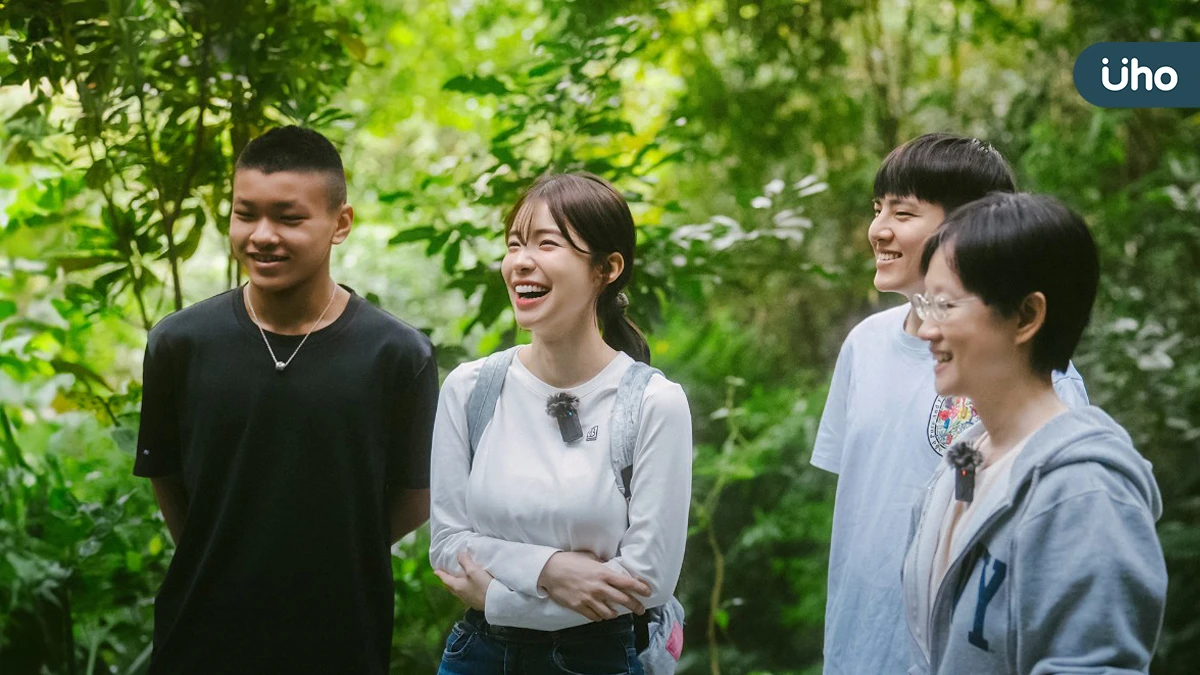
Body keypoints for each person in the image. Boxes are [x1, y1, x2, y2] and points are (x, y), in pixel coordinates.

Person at [133, 126, 438, 674]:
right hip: (200, 637)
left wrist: (330, 555)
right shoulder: (180, 343)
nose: (262, 236)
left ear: (340, 223)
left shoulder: (396, 355)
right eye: (245, 214)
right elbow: (167, 476)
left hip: (339, 638)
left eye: (289, 218)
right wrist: (224, 549)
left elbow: (416, 495)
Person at [809, 133, 1090, 675]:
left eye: (903, 212)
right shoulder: (864, 344)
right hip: (854, 651)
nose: (878, 229)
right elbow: (866, 513)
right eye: (877, 208)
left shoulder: (1029, 375)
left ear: (969, 227)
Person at [428, 172, 692, 675]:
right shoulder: (469, 389)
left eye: (547, 244)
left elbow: (646, 583)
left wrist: (499, 599)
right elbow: (447, 546)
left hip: (602, 658)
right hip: (477, 657)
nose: (521, 261)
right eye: (514, 244)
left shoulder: (654, 403)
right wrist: (551, 569)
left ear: (607, 268)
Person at [904, 192, 1167, 674]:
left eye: (944, 305)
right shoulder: (961, 461)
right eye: (926, 304)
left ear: (1026, 316)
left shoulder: (1085, 493)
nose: (925, 329)